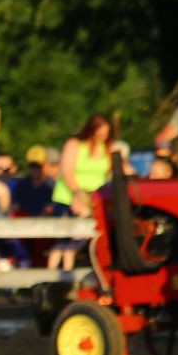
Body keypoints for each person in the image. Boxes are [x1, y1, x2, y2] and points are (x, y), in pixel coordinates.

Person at [49, 114, 115, 270]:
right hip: (70, 200)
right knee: (64, 243)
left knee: (87, 242)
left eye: (106, 134)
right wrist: (80, 196)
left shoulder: (106, 147)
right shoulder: (75, 144)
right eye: (100, 133)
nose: (103, 137)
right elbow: (67, 172)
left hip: (94, 202)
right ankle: (54, 277)